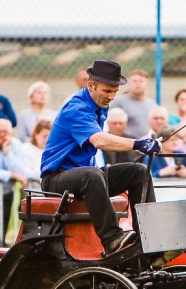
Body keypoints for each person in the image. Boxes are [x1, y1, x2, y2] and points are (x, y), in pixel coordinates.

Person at [40, 60, 159, 255]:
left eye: (114, 92)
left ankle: (148, 236)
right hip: (56, 179)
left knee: (139, 172)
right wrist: (138, 144)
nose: (111, 97)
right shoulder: (76, 108)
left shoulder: (98, 104)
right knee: (92, 175)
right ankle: (112, 239)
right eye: (107, 91)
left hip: (84, 177)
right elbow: (98, 140)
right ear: (90, 85)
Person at [111, 70, 156, 139]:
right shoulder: (119, 102)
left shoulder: (152, 104)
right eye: (134, 81)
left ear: (147, 85)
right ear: (128, 84)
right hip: (127, 144)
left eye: (141, 81)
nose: (137, 83)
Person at [20, 118, 52, 189]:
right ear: (36, 135)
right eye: (44, 136)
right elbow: (26, 172)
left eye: (49, 136)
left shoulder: (53, 151)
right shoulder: (27, 148)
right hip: (33, 187)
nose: (47, 139)